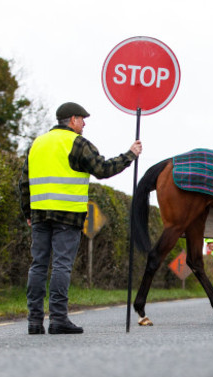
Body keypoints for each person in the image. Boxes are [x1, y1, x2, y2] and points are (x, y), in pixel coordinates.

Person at [19, 102, 142, 335]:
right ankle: (58, 319)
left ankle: (34, 321)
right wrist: (130, 155)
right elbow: (103, 169)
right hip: (67, 215)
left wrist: (28, 213)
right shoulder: (77, 143)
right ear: (73, 119)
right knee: (61, 265)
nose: (84, 124)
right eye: (82, 119)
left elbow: (23, 181)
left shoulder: (37, 144)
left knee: (38, 266)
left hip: (39, 214)